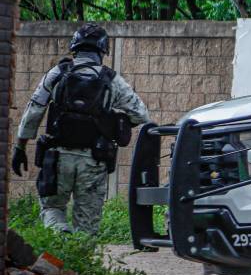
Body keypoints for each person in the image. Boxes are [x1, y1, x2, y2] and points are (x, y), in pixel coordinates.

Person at [11, 23, 150, 234]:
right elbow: (141, 115)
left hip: (57, 158)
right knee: (87, 226)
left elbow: (34, 111)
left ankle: (61, 240)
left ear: (74, 47)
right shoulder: (112, 80)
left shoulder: (57, 73)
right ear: (103, 51)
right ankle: (79, 262)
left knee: (52, 209)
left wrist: (19, 148)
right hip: (93, 161)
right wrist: (112, 119)